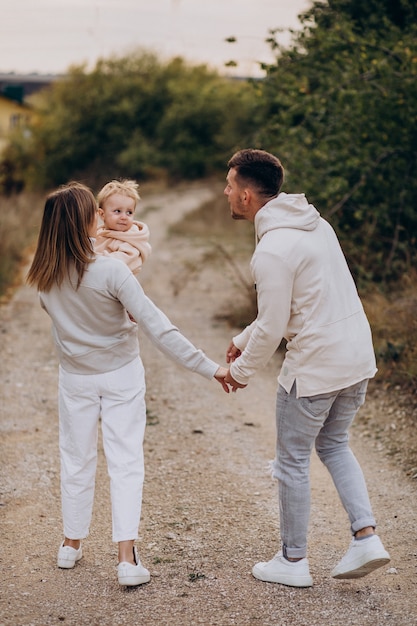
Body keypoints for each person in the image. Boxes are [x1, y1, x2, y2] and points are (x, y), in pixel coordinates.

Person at [26, 182, 229, 587]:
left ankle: (71, 544)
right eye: (94, 212)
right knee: (125, 462)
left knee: (76, 459)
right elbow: (159, 327)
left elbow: (67, 326)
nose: (101, 217)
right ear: (85, 220)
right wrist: (211, 368)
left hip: (76, 379)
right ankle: (126, 559)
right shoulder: (111, 270)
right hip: (120, 376)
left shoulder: (43, 277)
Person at [223, 148, 390, 588]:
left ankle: (293, 561)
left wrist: (239, 374)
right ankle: (366, 537)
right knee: (334, 445)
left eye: (229, 185)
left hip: (316, 366)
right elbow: (298, 305)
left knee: (292, 460)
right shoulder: (315, 224)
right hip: (355, 357)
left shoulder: (273, 249)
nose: (225, 192)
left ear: (245, 195)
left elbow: (276, 323)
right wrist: (241, 342)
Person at [94, 179, 151, 275]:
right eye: (117, 211)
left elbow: (121, 261)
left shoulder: (130, 238)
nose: (124, 217)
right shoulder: (99, 233)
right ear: (102, 214)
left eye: (129, 212)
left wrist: (95, 259)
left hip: (117, 284)